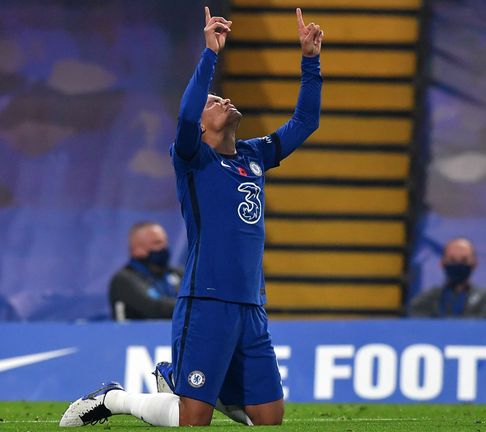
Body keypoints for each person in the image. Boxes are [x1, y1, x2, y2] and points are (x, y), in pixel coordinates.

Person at [60, 6, 323, 427]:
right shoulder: (192, 158)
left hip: (252, 305)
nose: (224, 101)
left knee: (270, 419)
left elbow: (306, 121)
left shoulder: (254, 155)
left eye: (221, 97)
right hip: (206, 301)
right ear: (200, 127)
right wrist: (210, 54)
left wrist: (310, 60)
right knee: (193, 419)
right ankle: (115, 399)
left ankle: (205, 387)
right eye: (214, 101)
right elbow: (185, 114)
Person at [409, 238, 486, 318]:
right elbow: (419, 327)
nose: (458, 264)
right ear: (442, 263)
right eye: (452, 260)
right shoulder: (425, 299)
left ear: (474, 264)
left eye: (464, 260)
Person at [109, 222, 181, 320]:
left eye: (165, 241)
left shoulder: (177, 273)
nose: (165, 247)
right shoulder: (123, 280)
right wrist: (190, 305)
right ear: (137, 249)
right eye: (157, 243)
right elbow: (153, 308)